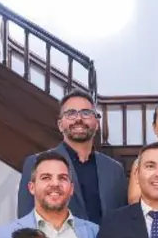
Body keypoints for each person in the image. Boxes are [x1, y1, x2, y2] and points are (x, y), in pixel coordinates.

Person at [16, 90, 127, 223]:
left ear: (97, 124)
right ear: (60, 125)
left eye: (86, 113)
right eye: (70, 114)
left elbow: (122, 221)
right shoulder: (36, 163)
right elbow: (25, 219)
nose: (79, 119)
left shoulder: (115, 170)